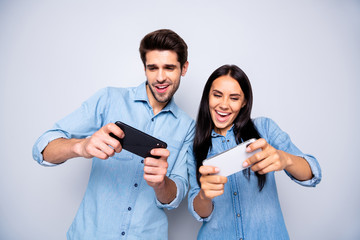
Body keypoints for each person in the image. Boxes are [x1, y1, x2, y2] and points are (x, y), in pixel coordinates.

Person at [32, 29, 195, 239]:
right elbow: (42, 148)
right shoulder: (109, 98)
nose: (160, 77)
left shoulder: (187, 126)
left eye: (169, 68)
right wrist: (81, 146)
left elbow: (177, 193)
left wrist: (161, 184)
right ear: (144, 68)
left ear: (184, 68)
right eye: (152, 68)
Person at [187, 64, 321, 239]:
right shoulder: (193, 145)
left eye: (234, 98)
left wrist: (285, 159)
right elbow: (200, 211)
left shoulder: (264, 128)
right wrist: (204, 195)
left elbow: (313, 173)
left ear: (244, 102)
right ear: (207, 97)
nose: (224, 105)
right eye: (217, 95)